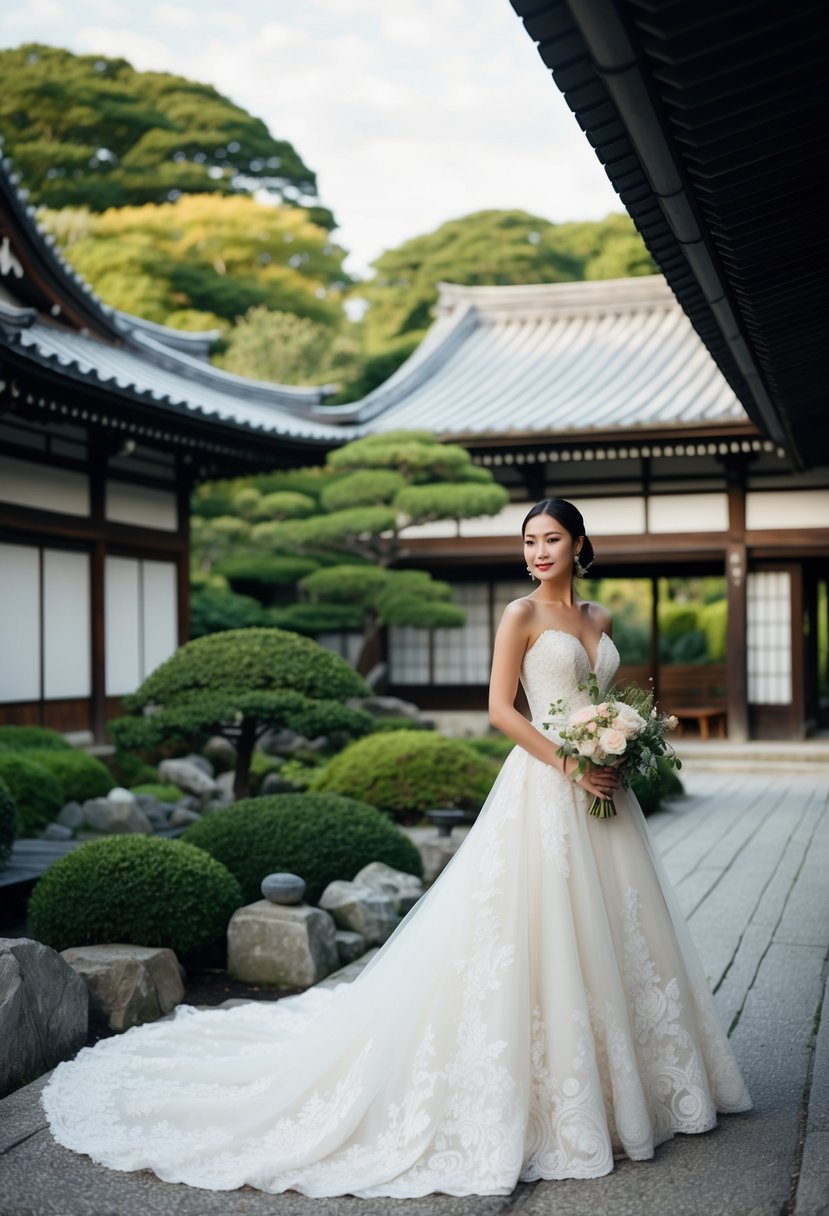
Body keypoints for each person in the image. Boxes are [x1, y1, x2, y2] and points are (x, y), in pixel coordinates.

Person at [42, 497, 751, 1198]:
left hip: (604, 791)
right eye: (529, 540)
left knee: (616, 926)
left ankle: (634, 1087)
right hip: (544, 785)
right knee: (534, 929)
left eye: (551, 539)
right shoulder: (520, 615)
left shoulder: (595, 618)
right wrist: (570, 763)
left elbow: (597, 701)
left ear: (577, 544)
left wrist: (615, 749)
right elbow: (502, 710)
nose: (538, 551)